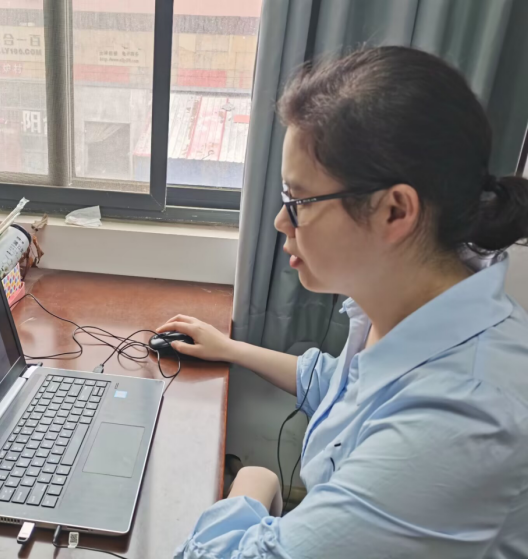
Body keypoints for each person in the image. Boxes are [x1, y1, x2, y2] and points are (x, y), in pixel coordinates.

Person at [161, 47, 528, 559]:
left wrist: (250, 487)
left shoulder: (461, 418)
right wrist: (231, 349)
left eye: (299, 201)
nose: (281, 222)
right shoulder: (414, 307)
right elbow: (342, 387)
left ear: (394, 211)